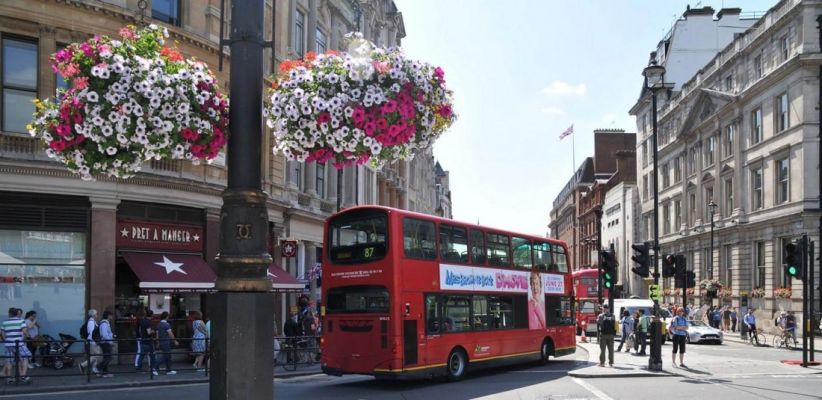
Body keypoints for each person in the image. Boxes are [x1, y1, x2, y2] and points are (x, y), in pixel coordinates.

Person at [1, 307, 31, 384]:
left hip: (9, 344)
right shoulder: (21, 321)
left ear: (10, 313)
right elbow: (24, 332)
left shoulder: (4, 322)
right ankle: (23, 376)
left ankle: (9, 378)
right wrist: (22, 339)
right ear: (16, 313)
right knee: (25, 358)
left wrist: (6, 340)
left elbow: (3, 334)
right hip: (19, 344)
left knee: (9, 360)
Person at [135, 309, 158, 375]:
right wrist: (153, 331)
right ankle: (153, 368)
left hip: (142, 340)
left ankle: (138, 367)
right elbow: (149, 332)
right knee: (152, 355)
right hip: (148, 341)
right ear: (151, 315)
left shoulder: (142, 321)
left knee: (141, 355)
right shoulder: (148, 322)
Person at [79, 309, 101, 375]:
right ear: (93, 315)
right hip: (92, 342)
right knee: (96, 355)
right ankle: (82, 365)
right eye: (96, 314)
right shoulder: (91, 322)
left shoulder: (93, 321)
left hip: (92, 341)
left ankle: (94, 369)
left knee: (94, 356)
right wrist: (94, 341)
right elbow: (91, 333)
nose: (97, 315)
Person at [97, 310, 114, 378]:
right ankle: (98, 367)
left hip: (106, 342)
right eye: (111, 315)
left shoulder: (106, 323)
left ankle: (105, 373)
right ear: (108, 316)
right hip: (105, 342)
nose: (112, 316)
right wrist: (110, 342)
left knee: (106, 357)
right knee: (108, 357)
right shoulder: (104, 323)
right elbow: (104, 334)